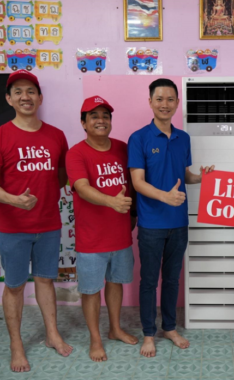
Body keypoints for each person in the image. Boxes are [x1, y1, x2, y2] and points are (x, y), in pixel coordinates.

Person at [0, 70, 72, 372]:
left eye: (31, 91)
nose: (25, 96)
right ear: (9, 99)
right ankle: (16, 344)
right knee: (16, 286)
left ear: (40, 97)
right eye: (18, 91)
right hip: (13, 228)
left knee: (46, 280)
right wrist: (15, 200)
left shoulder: (56, 135)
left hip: (48, 225)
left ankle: (52, 335)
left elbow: (61, 175)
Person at [128, 78, 214, 357]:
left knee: (172, 279)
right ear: (150, 102)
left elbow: (183, 175)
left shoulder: (183, 138)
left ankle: (169, 327)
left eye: (170, 99)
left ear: (178, 103)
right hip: (152, 224)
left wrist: (201, 178)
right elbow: (138, 182)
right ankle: (148, 334)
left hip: (179, 222)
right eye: (159, 99)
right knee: (149, 281)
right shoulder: (138, 138)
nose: (165, 104)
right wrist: (164, 196)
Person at [65, 96, 138, 362]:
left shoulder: (122, 148)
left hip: (120, 235)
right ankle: (95, 339)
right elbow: (82, 188)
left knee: (116, 283)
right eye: (94, 116)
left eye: (105, 116)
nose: (101, 120)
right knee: (90, 289)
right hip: (91, 238)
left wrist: (134, 214)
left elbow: (137, 181)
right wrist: (112, 202)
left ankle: (115, 329)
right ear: (83, 122)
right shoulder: (76, 152)